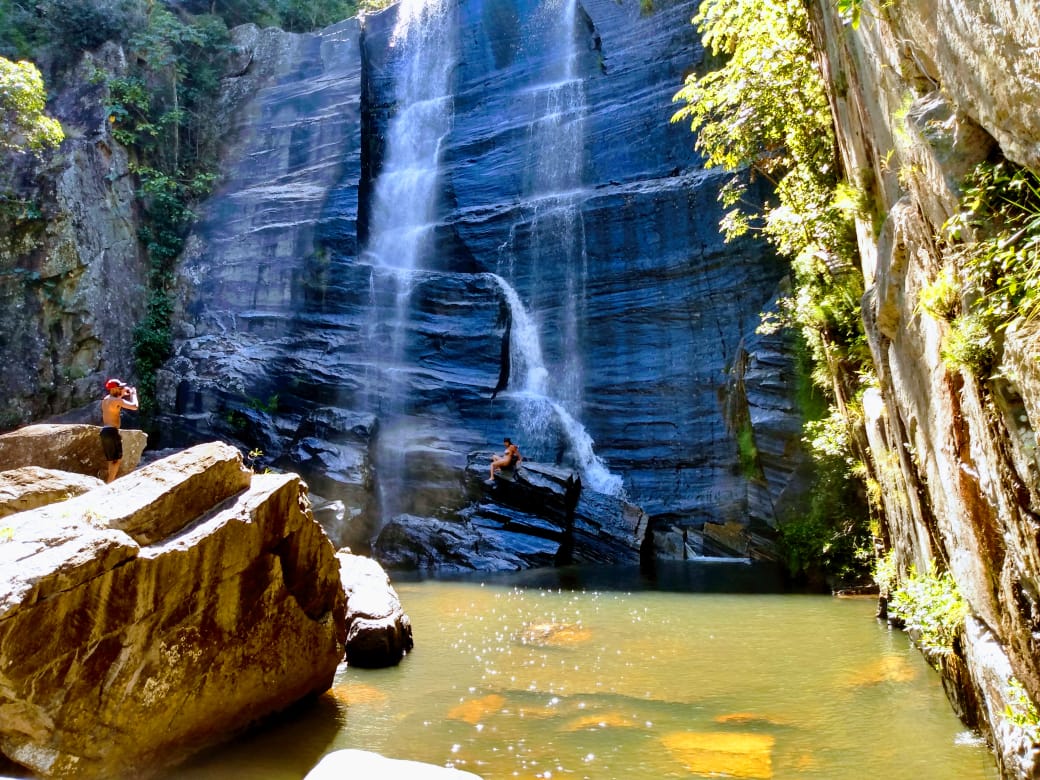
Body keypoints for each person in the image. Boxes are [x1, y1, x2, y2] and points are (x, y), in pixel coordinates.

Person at [99, 378, 138, 483]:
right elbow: (134, 406)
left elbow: (116, 400)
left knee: (111, 460)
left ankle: (109, 481)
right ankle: (110, 483)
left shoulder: (106, 399)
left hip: (105, 432)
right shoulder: (116, 400)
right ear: (114, 389)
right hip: (112, 432)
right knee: (117, 460)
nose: (122, 389)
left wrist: (122, 393)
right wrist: (133, 394)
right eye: (119, 387)